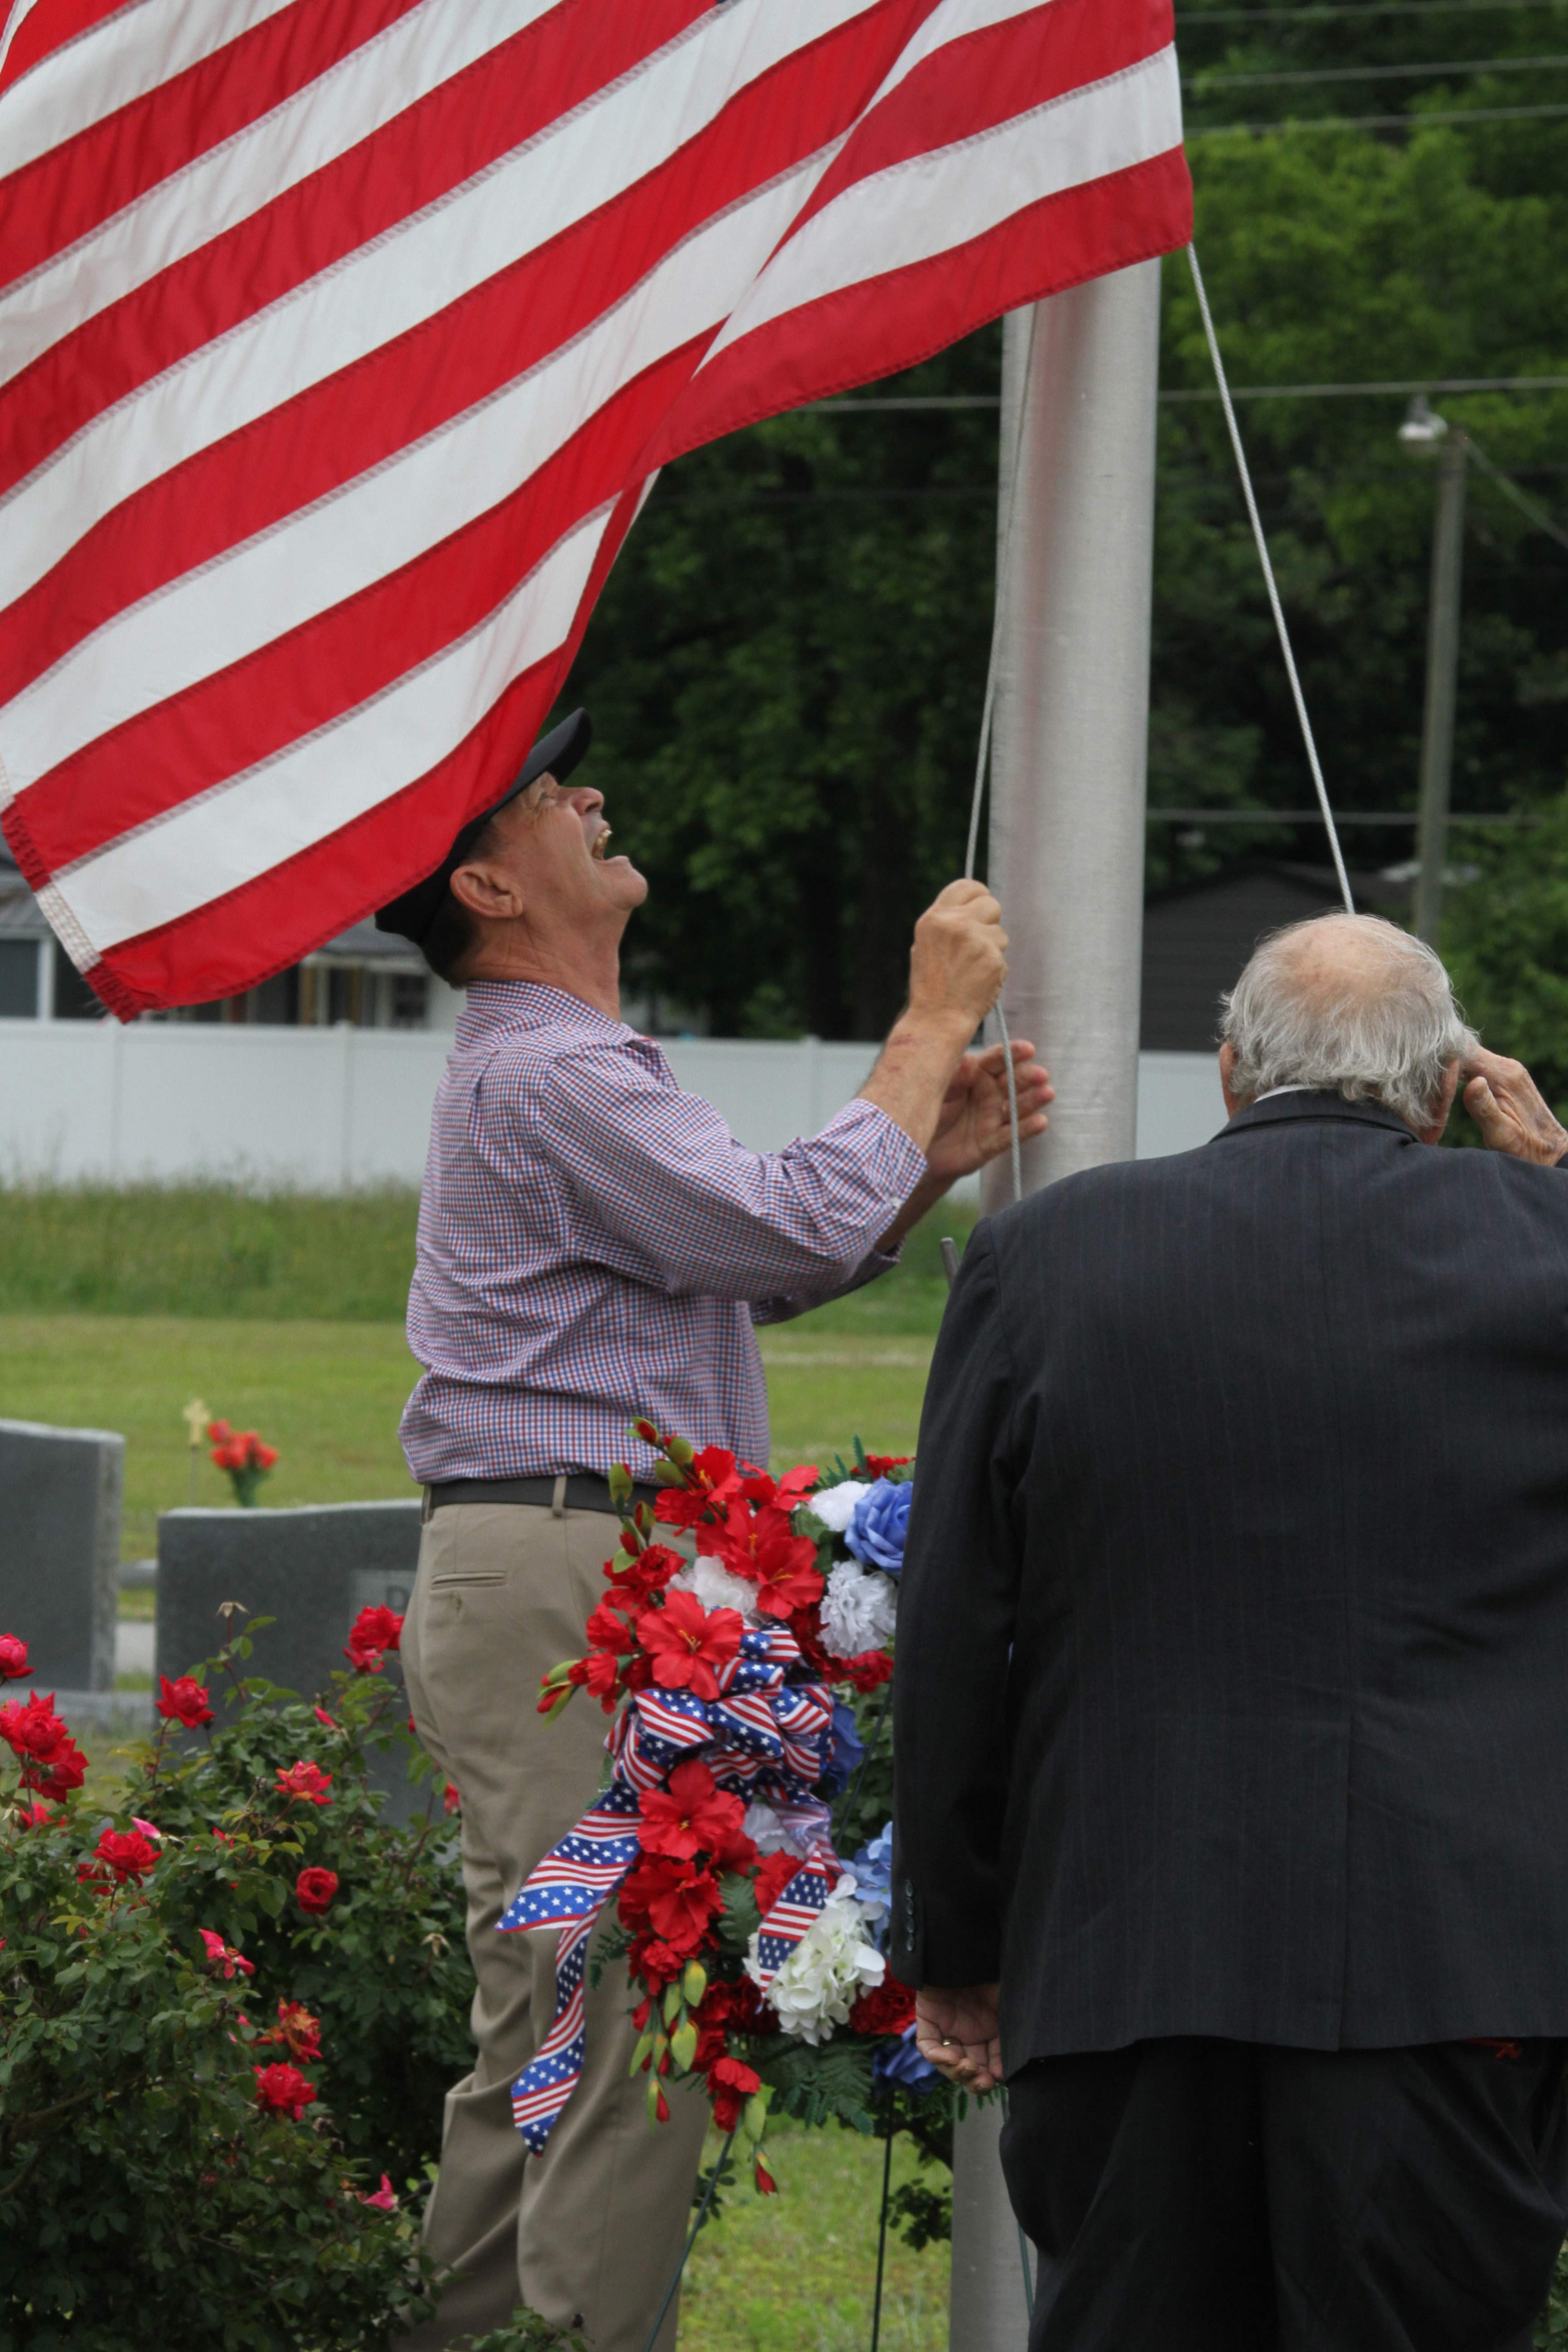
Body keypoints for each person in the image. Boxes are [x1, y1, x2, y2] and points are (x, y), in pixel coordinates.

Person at [374, 708, 1052, 2352]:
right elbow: (774, 1220)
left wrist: (914, 1160)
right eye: (553, 793)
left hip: (577, 1571)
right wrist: (930, 1013)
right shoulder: (548, 1064)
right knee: (621, 2020)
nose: (592, 792)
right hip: (567, 1578)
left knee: (553, 2023)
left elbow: (766, 1258)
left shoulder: (565, 1066)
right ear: (490, 882)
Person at [893, 910, 1568, 2352]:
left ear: (1226, 1075)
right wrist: (1556, 1178)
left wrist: (953, 1938)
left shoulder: (1040, 1258)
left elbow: (954, 1623)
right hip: (1453, 1965)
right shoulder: (1546, 1253)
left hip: (1127, 1949)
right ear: (1449, 1087)